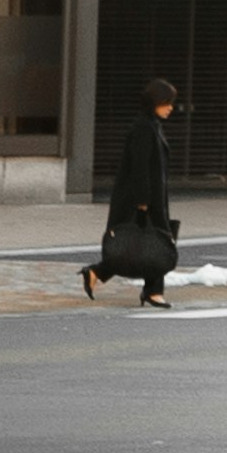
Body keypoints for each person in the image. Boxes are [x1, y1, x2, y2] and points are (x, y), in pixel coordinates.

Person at [87, 85, 181, 305]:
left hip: (152, 197)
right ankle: (152, 291)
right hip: (142, 198)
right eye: (166, 103)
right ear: (154, 103)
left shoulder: (152, 125)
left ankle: (99, 274)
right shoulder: (143, 128)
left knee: (147, 244)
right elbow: (139, 167)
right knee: (153, 243)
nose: (171, 108)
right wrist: (142, 202)